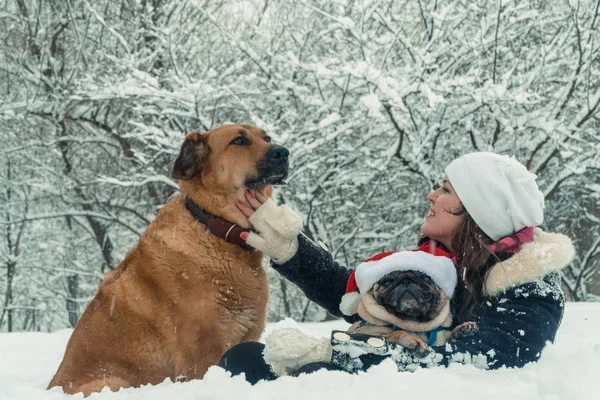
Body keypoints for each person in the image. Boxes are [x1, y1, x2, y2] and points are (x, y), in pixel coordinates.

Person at [218, 152, 574, 384]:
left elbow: (480, 358)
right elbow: (358, 295)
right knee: (246, 358)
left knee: (315, 375)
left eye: (445, 189)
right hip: (390, 368)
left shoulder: (530, 287)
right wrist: (291, 249)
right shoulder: (443, 263)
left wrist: (337, 354)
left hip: (429, 386)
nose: (431, 196)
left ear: (478, 212)